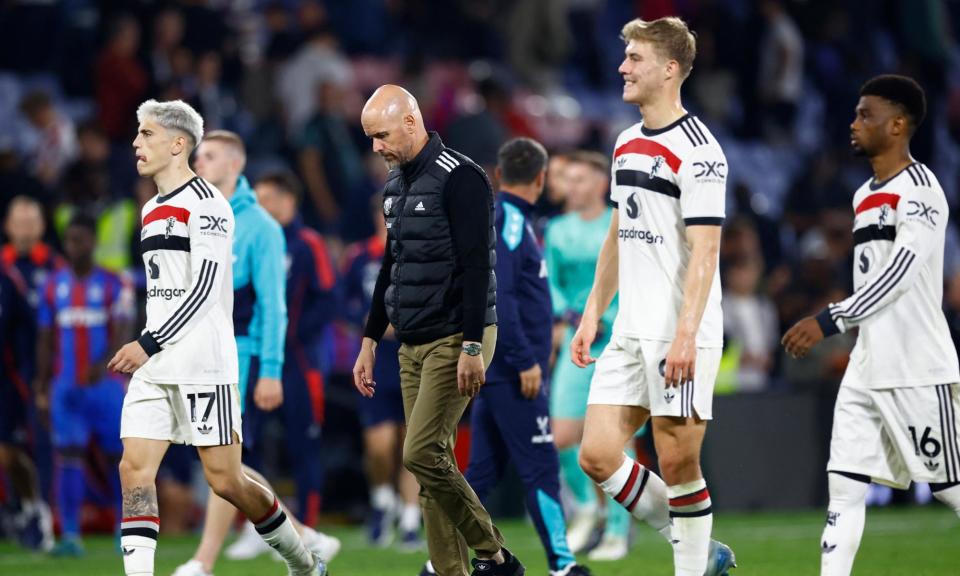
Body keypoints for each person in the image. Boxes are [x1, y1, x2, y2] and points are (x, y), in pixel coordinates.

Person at [108, 99, 325, 576]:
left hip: (203, 364)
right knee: (134, 469)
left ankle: (305, 562)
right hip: (157, 363)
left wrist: (147, 341)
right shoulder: (150, 209)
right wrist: (149, 347)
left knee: (227, 480)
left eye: (146, 134)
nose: (136, 143)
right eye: (137, 133)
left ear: (178, 143)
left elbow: (205, 289)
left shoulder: (208, 206)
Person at [571, 17, 735, 576]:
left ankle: (690, 563)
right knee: (595, 454)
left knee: (678, 460)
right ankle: (696, 544)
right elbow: (619, 234)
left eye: (635, 58)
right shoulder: (625, 142)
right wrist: (594, 310)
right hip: (628, 330)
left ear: (669, 70)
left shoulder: (700, 152)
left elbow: (707, 253)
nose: (623, 67)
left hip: (678, 331)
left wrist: (686, 335)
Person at [782, 75, 960, 576]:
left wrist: (829, 318)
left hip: (917, 364)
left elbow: (899, 275)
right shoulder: (864, 194)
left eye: (866, 114)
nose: (854, 123)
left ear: (899, 124)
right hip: (867, 363)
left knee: (951, 487)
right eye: (856, 113)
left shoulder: (922, 192)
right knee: (845, 486)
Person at [352, 84, 524, 576]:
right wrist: (369, 339)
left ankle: (493, 553)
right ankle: (453, 571)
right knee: (431, 466)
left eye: (381, 135)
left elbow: (477, 267)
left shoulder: (462, 177)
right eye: (369, 138)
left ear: (411, 121)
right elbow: (392, 266)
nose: (376, 148)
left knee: (420, 451)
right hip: (410, 340)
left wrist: (472, 344)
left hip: (456, 335)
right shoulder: (395, 185)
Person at [172, 131, 338, 576]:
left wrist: (271, 370)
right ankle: (303, 536)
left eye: (206, 156)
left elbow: (273, 305)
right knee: (226, 463)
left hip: (241, 357)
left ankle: (203, 561)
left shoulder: (260, 225)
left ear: (233, 164)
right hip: (203, 356)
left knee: (221, 463)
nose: (198, 163)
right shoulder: (197, 215)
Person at [465, 137, 590, 576]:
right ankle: (562, 563)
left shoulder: (503, 219)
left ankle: (440, 560)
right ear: (540, 177)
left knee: (481, 472)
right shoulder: (512, 222)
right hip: (516, 373)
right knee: (540, 468)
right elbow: (504, 297)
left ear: (500, 175)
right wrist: (525, 361)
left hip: (497, 370)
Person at [545, 150, 633, 560]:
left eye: (581, 180)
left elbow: (631, 274)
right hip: (578, 337)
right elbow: (551, 280)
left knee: (616, 437)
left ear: (601, 184)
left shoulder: (617, 224)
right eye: (570, 180)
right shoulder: (558, 229)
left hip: (617, 337)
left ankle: (618, 528)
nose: (572, 186)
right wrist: (567, 314)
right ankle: (586, 508)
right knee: (561, 434)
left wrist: (609, 315)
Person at [35, 213, 133, 556]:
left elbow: (123, 331)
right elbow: (45, 339)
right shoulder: (52, 285)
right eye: (70, 240)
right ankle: (72, 536)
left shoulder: (113, 283)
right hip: (66, 388)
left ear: (93, 242)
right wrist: (42, 386)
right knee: (69, 457)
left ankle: (127, 534)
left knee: (119, 459)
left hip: (106, 388)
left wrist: (101, 363)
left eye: (81, 239)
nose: (75, 246)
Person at [337, 191, 423, 550]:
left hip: (414, 356)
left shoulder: (421, 252)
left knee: (412, 444)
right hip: (374, 359)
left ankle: (409, 518)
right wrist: (369, 327)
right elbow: (340, 305)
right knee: (379, 445)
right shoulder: (360, 258)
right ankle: (381, 499)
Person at [0, 195, 59, 550]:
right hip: (7, 376)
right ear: (7, 226)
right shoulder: (2, 266)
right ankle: (28, 507)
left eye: (30, 221)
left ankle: (46, 517)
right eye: (18, 221)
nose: (24, 228)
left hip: (45, 375)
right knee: (7, 450)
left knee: (48, 447)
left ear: (40, 226)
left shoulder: (54, 266)